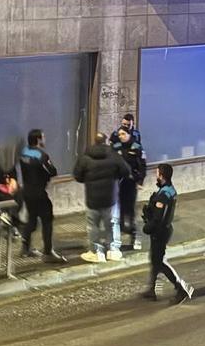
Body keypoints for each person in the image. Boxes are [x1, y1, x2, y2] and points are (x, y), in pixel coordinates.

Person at [73, 133, 130, 263]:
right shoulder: (114, 155)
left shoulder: (85, 157)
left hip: (92, 198)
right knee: (112, 223)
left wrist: (88, 180)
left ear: (95, 140)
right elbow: (126, 171)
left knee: (93, 226)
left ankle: (96, 252)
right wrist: (116, 177)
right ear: (106, 141)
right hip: (111, 198)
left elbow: (77, 175)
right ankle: (113, 250)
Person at [141, 163, 193, 303]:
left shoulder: (164, 194)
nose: (155, 176)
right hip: (163, 230)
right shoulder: (168, 189)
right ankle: (151, 290)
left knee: (160, 262)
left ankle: (181, 288)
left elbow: (159, 218)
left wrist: (148, 226)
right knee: (155, 260)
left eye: (157, 173)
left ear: (162, 176)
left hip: (160, 232)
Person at [17, 129, 66, 263]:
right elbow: (52, 171)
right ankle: (48, 252)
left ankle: (25, 248)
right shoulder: (41, 155)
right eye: (43, 137)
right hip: (39, 194)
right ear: (38, 140)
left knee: (31, 219)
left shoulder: (24, 152)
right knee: (47, 221)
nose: (45, 139)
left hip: (27, 192)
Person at [110, 126, 147, 251]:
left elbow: (142, 165)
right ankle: (118, 235)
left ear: (129, 134)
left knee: (129, 209)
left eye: (123, 134)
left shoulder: (136, 147)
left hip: (131, 183)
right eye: (119, 134)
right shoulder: (116, 147)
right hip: (118, 182)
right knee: (118, 210)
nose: (121, 136)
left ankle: (135, 236)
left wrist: (140, 181)